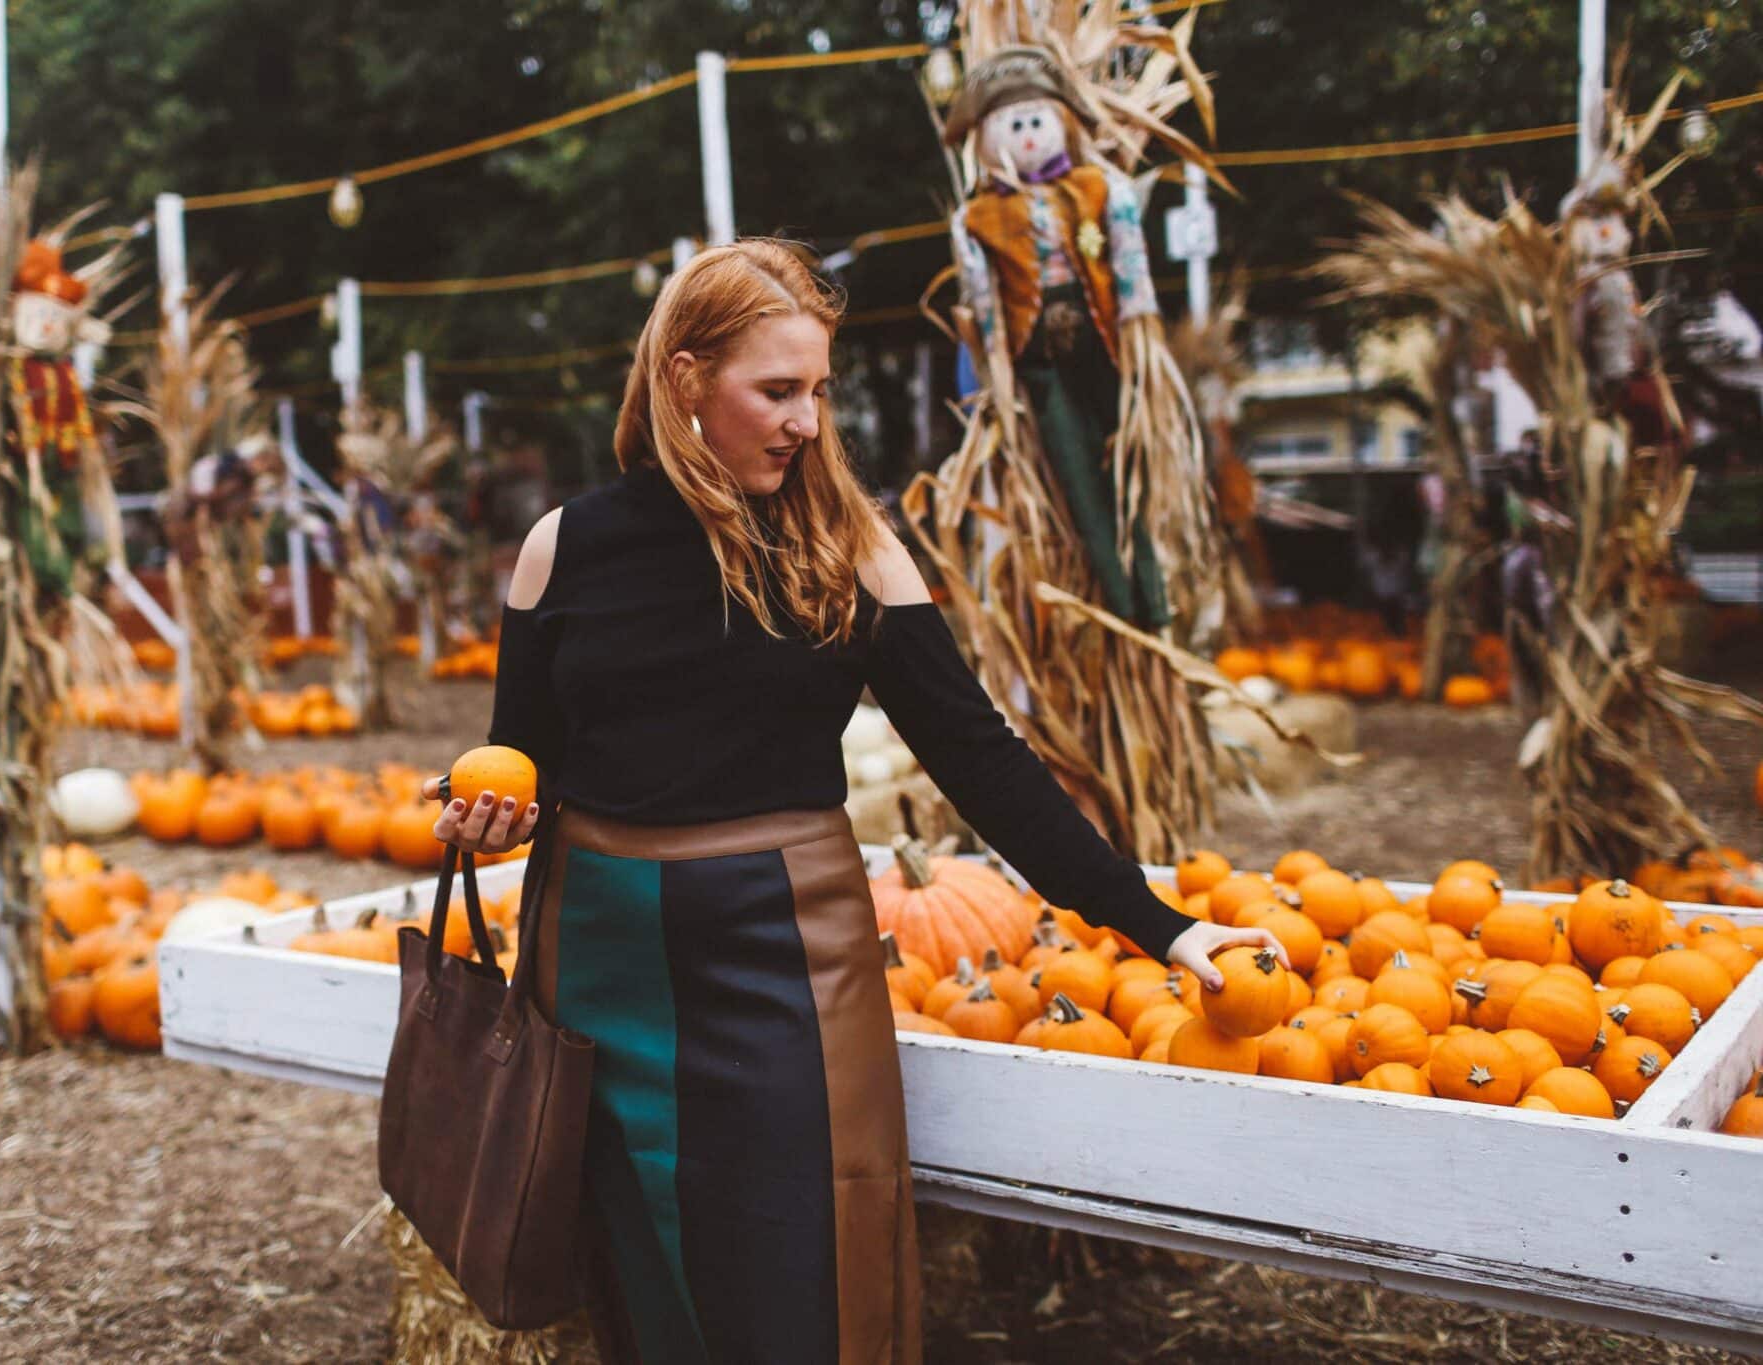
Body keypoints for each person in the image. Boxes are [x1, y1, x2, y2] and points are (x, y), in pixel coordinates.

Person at [424, 241, 1281, 1364]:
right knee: (639, 1255)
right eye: (776, 391)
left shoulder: (851, 551)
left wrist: (1161, 923)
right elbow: (523, 760)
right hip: (597, 950)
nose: (807, 422)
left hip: (784, 943)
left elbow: (985, 765)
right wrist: (484, 813)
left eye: (816, 391)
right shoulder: (561, 549)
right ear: (685, 381)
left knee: (809, 1247)